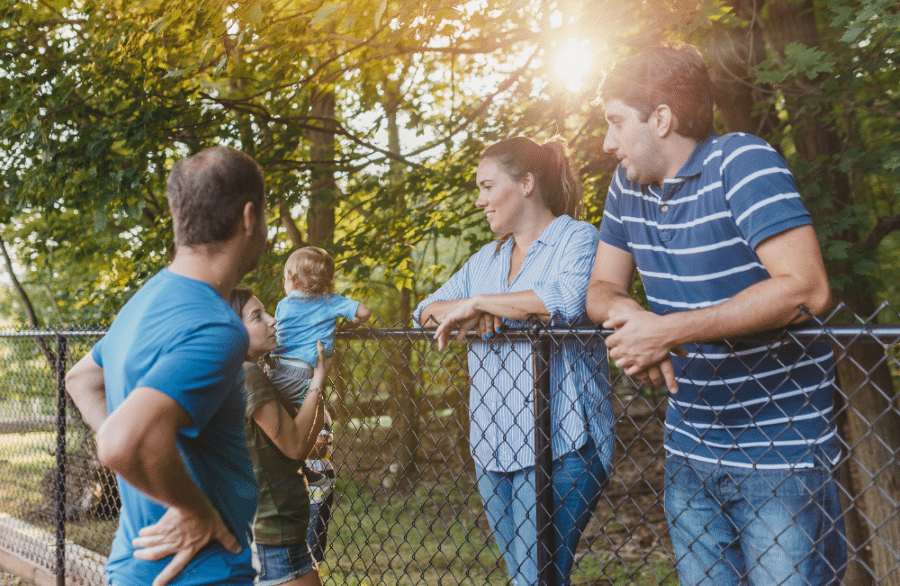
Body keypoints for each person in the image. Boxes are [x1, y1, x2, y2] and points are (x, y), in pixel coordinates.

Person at [586, 44, 846, 586]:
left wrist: (667, 330)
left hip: (782, 457)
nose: (607, 142)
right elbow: (601, 288)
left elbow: (807, 288)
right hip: (689, 451)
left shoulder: (742, 161)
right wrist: (632, 317)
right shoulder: (626, 188)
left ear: (661, 119)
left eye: (615, 122)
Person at [414, 136, 614, 586]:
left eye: (487, 186)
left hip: (563, 442)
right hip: (493, 445)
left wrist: (483, 303)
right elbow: (425, 310)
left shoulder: (576, 238)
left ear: (526, 183)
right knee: (529, 577)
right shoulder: (487, 258)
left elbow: (564, 299)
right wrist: (472, 308)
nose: (480, 201)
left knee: (534, 578)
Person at [64, 147, 268, 586]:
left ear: (181, 219)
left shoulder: (144, 302)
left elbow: (81, 380)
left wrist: (137, 464)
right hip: (200, 574)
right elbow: (120, 440)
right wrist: (193, 511)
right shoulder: (219, 327)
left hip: (132, 568)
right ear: (249, 218)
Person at [229, 287, 332, 586]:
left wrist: (315, 391)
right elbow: (295, 445)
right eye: (257, 317)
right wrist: (317, 381)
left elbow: (300, 446)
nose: (272, 321)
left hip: (274, 530)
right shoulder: (249, 375)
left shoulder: (245, 371)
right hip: (273, 534)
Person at [268, 246, 369, 486]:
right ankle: (300, 465)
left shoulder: (284, 304)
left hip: (276, 370)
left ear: (291, 280)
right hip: (305, 374)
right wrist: (349, 323)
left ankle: (287, 468)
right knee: (315, 415)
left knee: (281, 423)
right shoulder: (330, 302)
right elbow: (364, 312)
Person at [305, 409, 335, 563]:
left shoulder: (316, 408)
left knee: (311, 553)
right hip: (296, 488)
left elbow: (320, 443)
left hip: (317, 492)